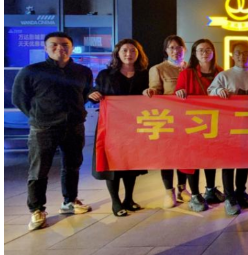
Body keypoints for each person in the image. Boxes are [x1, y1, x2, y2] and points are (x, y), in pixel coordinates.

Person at [12, 32, 93, 231]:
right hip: (43, 128)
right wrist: (38, 115)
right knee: (39, 170)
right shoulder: (31, 71)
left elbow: (84, 95)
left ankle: (69, 201)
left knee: (72, 166)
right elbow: (19, 98)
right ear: (45, 48)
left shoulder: (82, 71)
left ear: (71, 47)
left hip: (74, 126)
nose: (60, 48)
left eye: (64, 44)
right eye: (54, 45)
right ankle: (37, 209)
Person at [89, 39, 150, 217]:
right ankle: (115, 202)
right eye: (125, 50)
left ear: (138, 54)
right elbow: (95, 92)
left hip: (135, 126)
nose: (129, 54)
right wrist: (92, 94)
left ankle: (129, 199)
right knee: (112, 164)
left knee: (131, 163)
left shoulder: (144, 75)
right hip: (111, 127)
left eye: (133, 51)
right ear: (117, 53)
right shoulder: (106, 74)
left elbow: (153, 94)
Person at [207, 42, 248, 215]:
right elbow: (209, 91)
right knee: (229, 162)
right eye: (238, 53)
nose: (241, 56)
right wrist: (218, 91)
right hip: (228, 127)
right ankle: (229, 198)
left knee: (245, 161)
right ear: (232, 55)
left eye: (246, 52)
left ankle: (240, 192)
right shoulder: (224, 75)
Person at [175, 38, 224, 212]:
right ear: (195, 53)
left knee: (211, 156)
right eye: (201, 50)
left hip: (213, 122)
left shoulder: (220, 72)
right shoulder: (186, 74)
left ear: (213, 52)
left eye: (208, 49)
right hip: (193, 124)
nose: (204, 53)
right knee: (193, 158)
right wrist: (180, 91)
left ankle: (210, 189)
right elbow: (178, 93)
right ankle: (195, 194)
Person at [143, 35, 191, 209]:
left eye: (179, 47)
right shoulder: (158, 69)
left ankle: (182, 188)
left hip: (189, 120)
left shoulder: (191, 68)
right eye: (171, 47)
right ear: (166, 50)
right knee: (168, 156)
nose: (175, 51)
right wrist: (150, 91)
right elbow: (155, 90)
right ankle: (168, 191)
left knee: (185, 155)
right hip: (168, 120)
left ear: (184, 49)